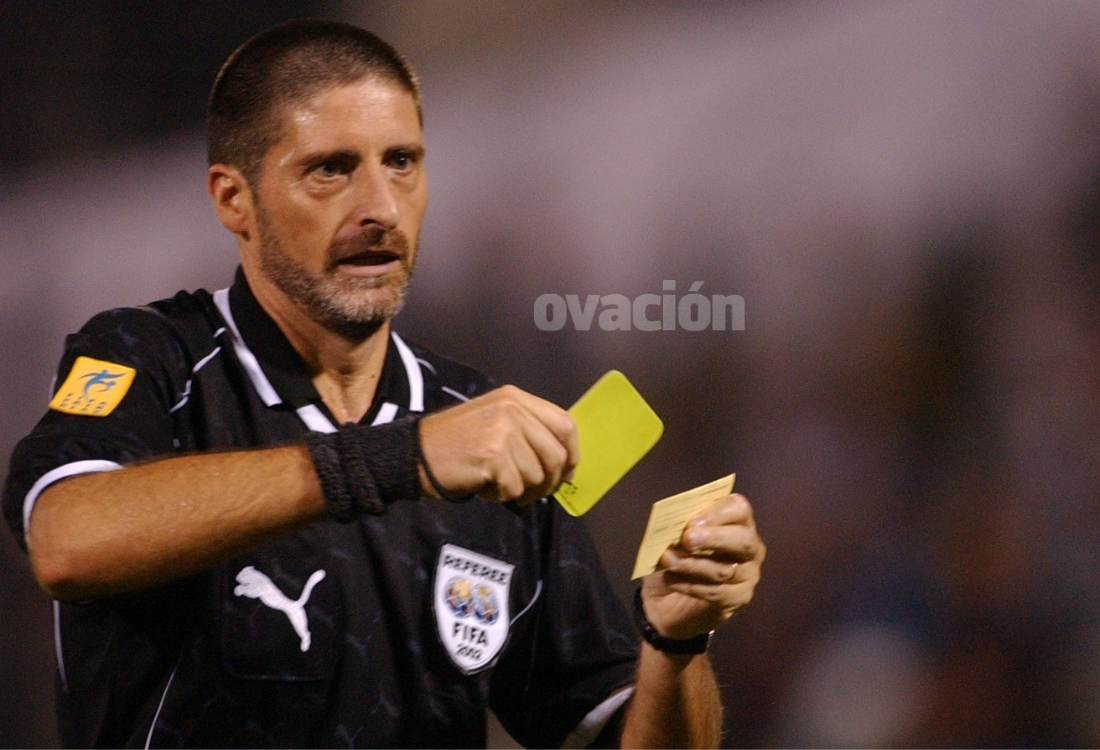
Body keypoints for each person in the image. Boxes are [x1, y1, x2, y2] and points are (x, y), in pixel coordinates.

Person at [2, 19, 765, 749]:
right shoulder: (152, 359)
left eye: (401, 161)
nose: (379, 207)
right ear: (234, 199)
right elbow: (67, 541)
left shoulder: (485, 433)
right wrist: (393, 460)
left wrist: (674, 640)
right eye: (330, 169)